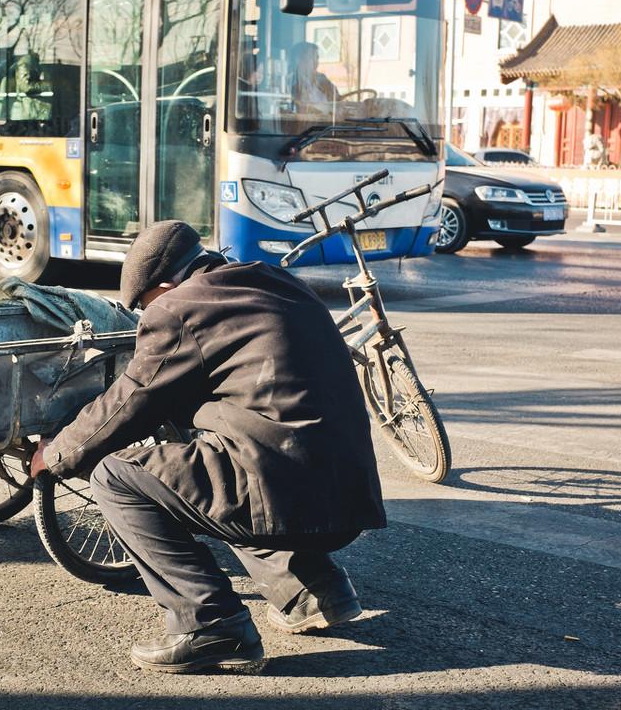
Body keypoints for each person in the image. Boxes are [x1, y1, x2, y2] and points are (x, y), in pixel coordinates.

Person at [30, 220, 385, 673]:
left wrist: (55, 454)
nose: (143, 318)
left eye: (142, 307)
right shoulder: (275, 281)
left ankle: (210, 624)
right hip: (348, 498)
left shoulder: (180, 308)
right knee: (225, 466)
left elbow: (129, 401)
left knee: (117, 475)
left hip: (287, 493)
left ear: (163, 286)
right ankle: (314, 589)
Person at [288, 41, 338, 109]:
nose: (316, 61)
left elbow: (337, 99)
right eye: (311, 57)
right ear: (298, 60)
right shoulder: (291, 82)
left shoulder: (322, 79)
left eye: (317, 58)